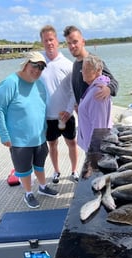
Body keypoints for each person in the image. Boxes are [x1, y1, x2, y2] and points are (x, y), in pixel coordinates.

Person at [0, 51, 58, 209]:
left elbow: (42, 108)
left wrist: (45, 129)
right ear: (26, 63)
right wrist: (4, 135)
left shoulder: (40, 84)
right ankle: (28, 193)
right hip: (19, 139)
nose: (37, 70)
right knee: (24, 169)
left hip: (39, 136)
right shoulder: (10, 82)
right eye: (35, 65)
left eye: (41, 67)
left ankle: (42, 187)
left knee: (40, 164)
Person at [39, 25, 79, 184]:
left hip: (66, 115)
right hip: (48, 116)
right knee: (52, 145)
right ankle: (56, 171)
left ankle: (74, 170)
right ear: (42, 42)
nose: (49, 43)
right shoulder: (38, 63)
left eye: (51, 39)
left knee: (72, 143)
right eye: (45, 40)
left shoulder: (68, 64)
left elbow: (73, 92)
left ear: (57, 41)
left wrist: (69, 111)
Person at [63, 25, 119, 109]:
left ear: (83, 42)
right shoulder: (75, 64)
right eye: (69, 43)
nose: (72, 46)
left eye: (75, 42)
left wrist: (108, 89)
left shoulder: (93, 61)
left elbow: (114, 82)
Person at [78, 54, 113, 152]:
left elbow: (99, 127)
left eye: (86, 68)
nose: (82, 71)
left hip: (94, 149)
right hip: (90, 145)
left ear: (98, 70)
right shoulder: (94, 88)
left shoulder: (98, 92)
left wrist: (94, 155)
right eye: (82, 68)